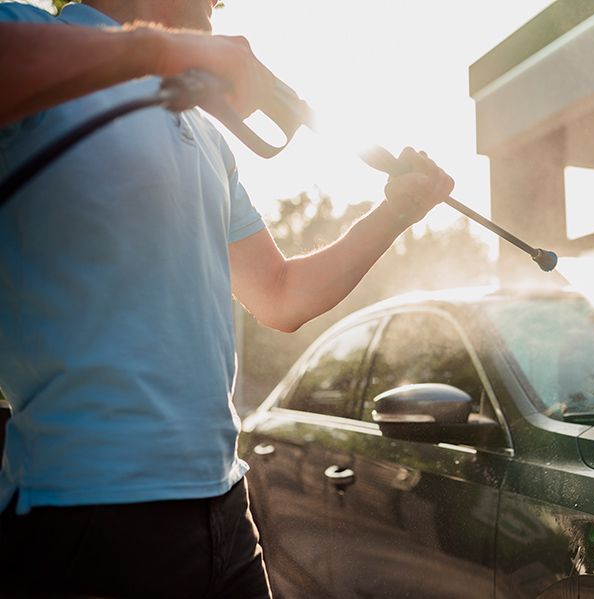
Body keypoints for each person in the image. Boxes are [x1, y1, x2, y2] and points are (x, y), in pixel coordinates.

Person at [0, 1, 453, 597]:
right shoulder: (29, 33)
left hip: (223, 510)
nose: (221, 3)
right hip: (86, 514)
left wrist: (397, 212)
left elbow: (281, 296)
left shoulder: (208, 136)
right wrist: (164, 50)